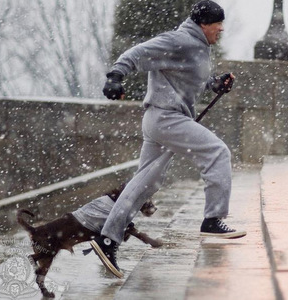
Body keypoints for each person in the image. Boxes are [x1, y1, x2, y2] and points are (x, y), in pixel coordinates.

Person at [90, 0, 246, 278]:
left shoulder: (198, 46)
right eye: (217, 24)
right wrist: (115, 76)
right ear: (203, 24)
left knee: (145, 182)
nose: (221, 28)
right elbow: (137, 53)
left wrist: (214, 84)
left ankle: (107, 239)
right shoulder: (179, 40)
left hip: (162, 119)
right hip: (166, 118)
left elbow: (191, 78)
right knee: (218, 152)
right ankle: (213, 219)